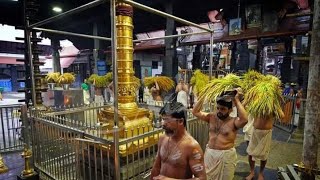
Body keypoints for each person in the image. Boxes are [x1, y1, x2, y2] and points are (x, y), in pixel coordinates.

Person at [192, 88, 248, 180]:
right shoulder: (211, 117)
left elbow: (244, 120)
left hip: (226, 156)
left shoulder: (234, 122)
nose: (219, 111)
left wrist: (236, 100)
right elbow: (195, 112)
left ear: (230, 110)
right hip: (210, 154)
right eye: (218, 108)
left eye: (223, 109)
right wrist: (204, 96)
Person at [150, 102, 206, 180]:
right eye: (163, 119)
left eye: (167, 120)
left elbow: (202, 178)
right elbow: (156, 166)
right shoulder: (163, 139)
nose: (163, 124)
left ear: (180, 121)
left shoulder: (191, 147)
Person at [246, 113, 275, 180]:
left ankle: (261, 173)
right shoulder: (255, 103)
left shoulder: (272, 104)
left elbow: (281, 115)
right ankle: (252, 172)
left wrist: (272, 108)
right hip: (255, 131)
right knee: (250, 153)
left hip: (266, 133)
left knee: (264, 154)